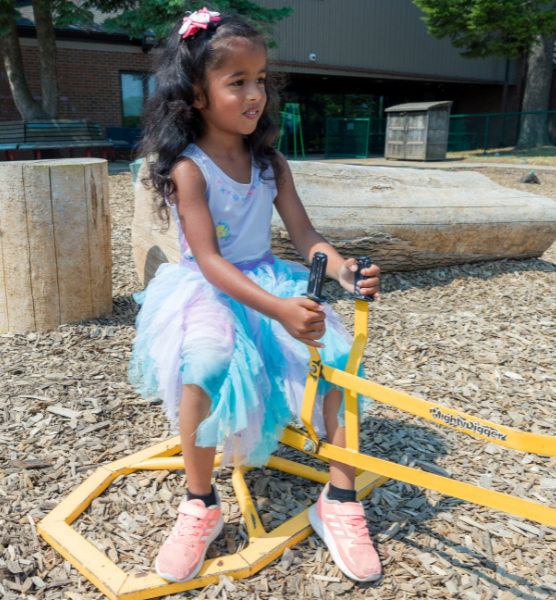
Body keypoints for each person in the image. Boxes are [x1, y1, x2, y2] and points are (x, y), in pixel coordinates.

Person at [128, 6, 383, 585]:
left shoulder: (270, 163)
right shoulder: (189, 170)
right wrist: (276, 310)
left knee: (339, 361)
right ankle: (200, 501)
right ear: (196, 94)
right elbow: (212, 261)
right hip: (208, 287)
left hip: (267, 278)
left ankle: (338, 499)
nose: (254, 95)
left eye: (260, 79)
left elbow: (307, 237)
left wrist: (343, 271)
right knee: (208, 363)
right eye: (236, 81)